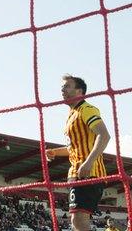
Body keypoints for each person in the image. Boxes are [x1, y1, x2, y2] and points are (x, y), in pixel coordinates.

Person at [46, 74, 110, 231]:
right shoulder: (71, 115)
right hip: (75, 174)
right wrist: (55, 152)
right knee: (76, 221)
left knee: (78, 220)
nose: (63, 89)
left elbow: (104, 135)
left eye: (67, 86)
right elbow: (74, 147)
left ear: (80, 91)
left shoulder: (87, 109)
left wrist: (88, 162)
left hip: (90, 173)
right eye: (62, 87)